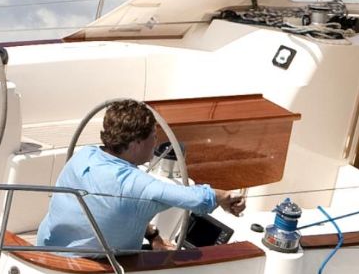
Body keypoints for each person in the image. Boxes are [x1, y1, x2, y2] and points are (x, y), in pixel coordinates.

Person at [37, 99, 245, 254]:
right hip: (93, 270)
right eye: (153, 137)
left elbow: (116, 209)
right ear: (136, 143)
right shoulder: (139, 186)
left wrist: (153, 237)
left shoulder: (83, 156)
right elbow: (197, 199)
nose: (156, 143)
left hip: (47, 251)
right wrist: (225, 197)